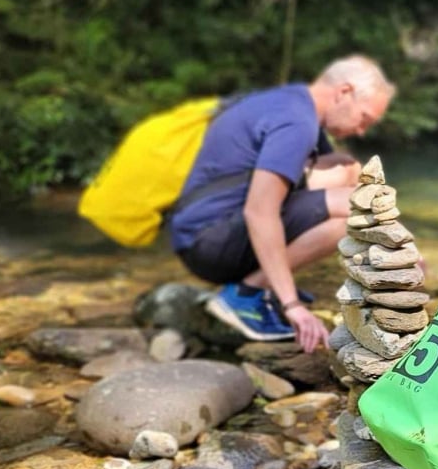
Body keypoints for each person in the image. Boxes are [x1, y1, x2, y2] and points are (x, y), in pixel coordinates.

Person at [168, 56, 396, 351]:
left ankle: (264, 284)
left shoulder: (292, 102)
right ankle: (246, 294)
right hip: (209, 243)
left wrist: (398, 242)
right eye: (364, 118)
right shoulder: (296, 122)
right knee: (352, 213)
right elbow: (260, 211)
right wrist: (292, 304)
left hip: (203, 231)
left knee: (349, 171)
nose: (362, 130)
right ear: (344, 92)